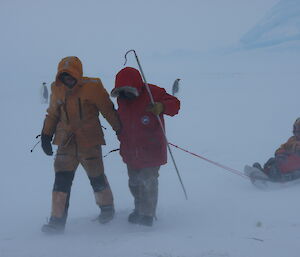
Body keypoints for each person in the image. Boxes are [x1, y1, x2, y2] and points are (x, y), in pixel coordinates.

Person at [41, 56, 121, 234]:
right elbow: (53, 114)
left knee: (97, 177)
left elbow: (107, 109)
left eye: (71, 75)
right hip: (65, 143)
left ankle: (107, 209)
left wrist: (119, 129)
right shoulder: (57, 89)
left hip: (89, 141)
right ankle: (56, 221)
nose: (67, 79)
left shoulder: (93, 87)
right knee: (61, 181)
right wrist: (46, 135)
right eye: (64, 75)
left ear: (78, 74)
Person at [111, 67, 180, 226]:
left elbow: (175, 104)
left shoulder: (153, 92)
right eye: (121, 91)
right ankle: (139, 208)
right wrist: (121, 135)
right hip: (130, 149)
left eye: (128, 90)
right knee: (134, 182)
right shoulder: (121, 98)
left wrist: (162, 106)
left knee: (148, 180)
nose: (125, 94)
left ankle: (148, 214)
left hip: (151, 148)